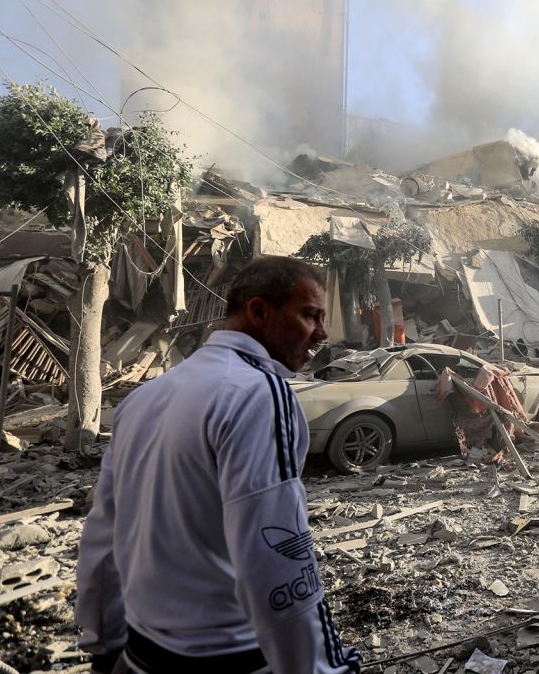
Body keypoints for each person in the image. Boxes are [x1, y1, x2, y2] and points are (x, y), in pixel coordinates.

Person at [75, 256, 361, 674]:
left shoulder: (144, 398)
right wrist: (321, 669)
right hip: (232, 659)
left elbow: (102, 537)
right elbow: (276, 555)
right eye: (309, 315)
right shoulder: (260, 395)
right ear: (260, 312)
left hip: (140, 658)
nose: (321, 333)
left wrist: (103, 647)